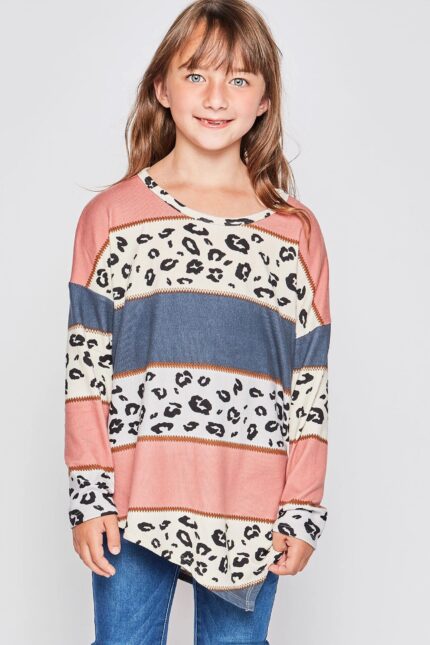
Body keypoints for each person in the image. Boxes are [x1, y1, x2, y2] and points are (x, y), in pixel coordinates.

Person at [64, 1, 331, 642]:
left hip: (250, 506)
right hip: (134, 499)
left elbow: (311, 381)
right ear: (162, 87)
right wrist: (89, 494)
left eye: (238, 79)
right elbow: (85, 370)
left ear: (264, 100)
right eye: (195, 75)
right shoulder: (112, 217)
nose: (216, 97)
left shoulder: (294, 232)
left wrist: (302, 507)